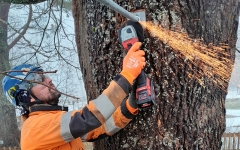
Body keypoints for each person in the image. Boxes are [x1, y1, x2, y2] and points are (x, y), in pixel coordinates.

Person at [2, 42, 145, 150]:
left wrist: (129, 107)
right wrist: (127, 74)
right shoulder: (34, 128)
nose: (48, 80)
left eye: (44, 75)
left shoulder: (53, 124)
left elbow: (98, 128)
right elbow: (88, 119)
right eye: (39, 80)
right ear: (26, 97)